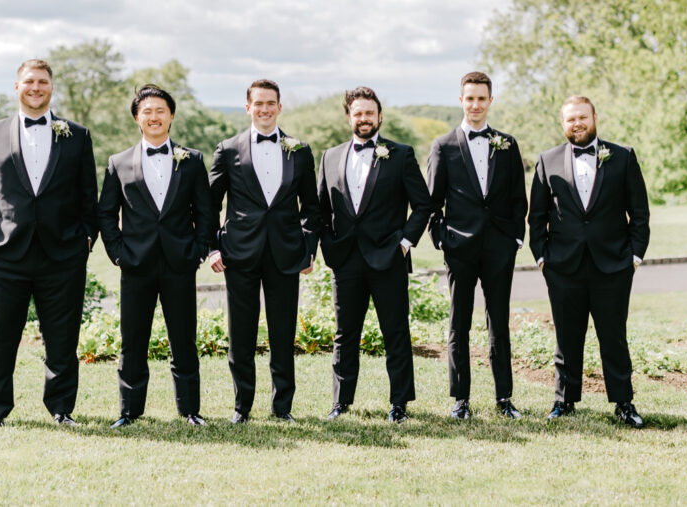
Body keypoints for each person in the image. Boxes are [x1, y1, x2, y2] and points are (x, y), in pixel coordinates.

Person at [0, 59, 98, 428]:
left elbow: (89, 196)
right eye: (29, 82)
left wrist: (85, 241)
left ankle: (61, 408)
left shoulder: (78, 135)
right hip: (2, 254)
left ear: (51, 87)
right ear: (17, 86)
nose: (35, 87)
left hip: (62, 255)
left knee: (62, 338)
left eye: (42, 82)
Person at [528, 96, 650, 428]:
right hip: (563, 267)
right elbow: (536, 218)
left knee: (613, 336)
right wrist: (542, 259)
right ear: (563, 123)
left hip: (612, 265)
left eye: (582, 117)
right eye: (570, 120)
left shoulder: (622, 157)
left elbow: (639, 213)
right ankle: (563, 401)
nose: (577, 124)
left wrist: (634, 257)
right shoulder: (547, 160)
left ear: (595, 117)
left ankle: (624, 403)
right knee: (567, 336)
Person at [98, 84, 213, 428]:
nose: (154, 116)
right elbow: (106, 213)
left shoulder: (192, 161)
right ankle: (129, 412)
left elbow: (206, 211)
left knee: (184, 340)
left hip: (180, 264)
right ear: (137, 118)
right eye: (146, 111)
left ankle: (190, 410)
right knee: (133, 341)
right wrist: (118, 254)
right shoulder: (117, 163)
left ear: (171, 116)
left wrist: (197, 252)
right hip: (136, 265)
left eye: (160, 110)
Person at [317, 87, 432, 423]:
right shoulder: (330, 157)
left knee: (395, 331)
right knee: (345, 333)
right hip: (346, 260)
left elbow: (423, 205)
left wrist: (405, 242)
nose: (364, 118)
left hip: (388, 257)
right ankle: (340, 402)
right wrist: (329, 246)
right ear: (348, 117)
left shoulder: (401, 154)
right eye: (358, 113)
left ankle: (399, 403)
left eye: (370, 113)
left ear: (379, 116)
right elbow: (320, 211)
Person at [208, 80, 320, 424]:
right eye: (258, 104)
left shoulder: (299, 151)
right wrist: (213, 247)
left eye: (271, 103)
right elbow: (208, 205)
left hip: (286, 255)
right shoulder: (227, 150)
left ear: (280, 107)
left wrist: (308, 249)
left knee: (283, 334)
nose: (265, 109)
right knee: (240, 334)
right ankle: (242, 408)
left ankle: (282, 407)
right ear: (248, 107)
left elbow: (312, 208)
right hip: (239, 254)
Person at [426, 71, 527, 421]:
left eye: (482, 98)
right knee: (460, 323)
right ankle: (461, 399)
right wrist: (441, 238)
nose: (475, 105)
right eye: (470, 98)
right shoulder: (444, 146)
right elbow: (431, 202)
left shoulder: (507, 144)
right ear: (461, 101)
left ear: (490, 101)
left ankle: (504, 398)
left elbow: (518, 198)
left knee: (499, 321)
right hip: (460, 248)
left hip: (500, 247)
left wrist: (515, 238)